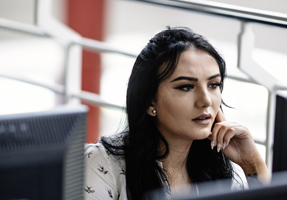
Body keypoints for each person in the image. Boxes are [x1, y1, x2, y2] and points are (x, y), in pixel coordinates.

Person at [84, 27, 271, 200]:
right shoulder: (102, 164)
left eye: (213, 85)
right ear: (150, 101)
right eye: (186, 87)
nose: (205, 100)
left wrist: (251, 163)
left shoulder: (222, 168)